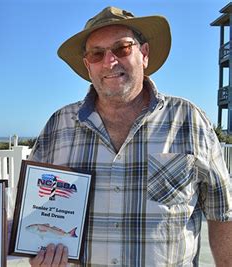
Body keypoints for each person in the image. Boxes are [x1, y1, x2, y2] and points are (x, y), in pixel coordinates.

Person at [29, 6, 232, 267]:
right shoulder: (58, 126)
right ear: (87, 65)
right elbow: (33, 213)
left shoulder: (189, 120)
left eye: (122, 48)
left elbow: (223, 213)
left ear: (144, 53)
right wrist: (35, 255)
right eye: (97, 53)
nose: (110, 61)